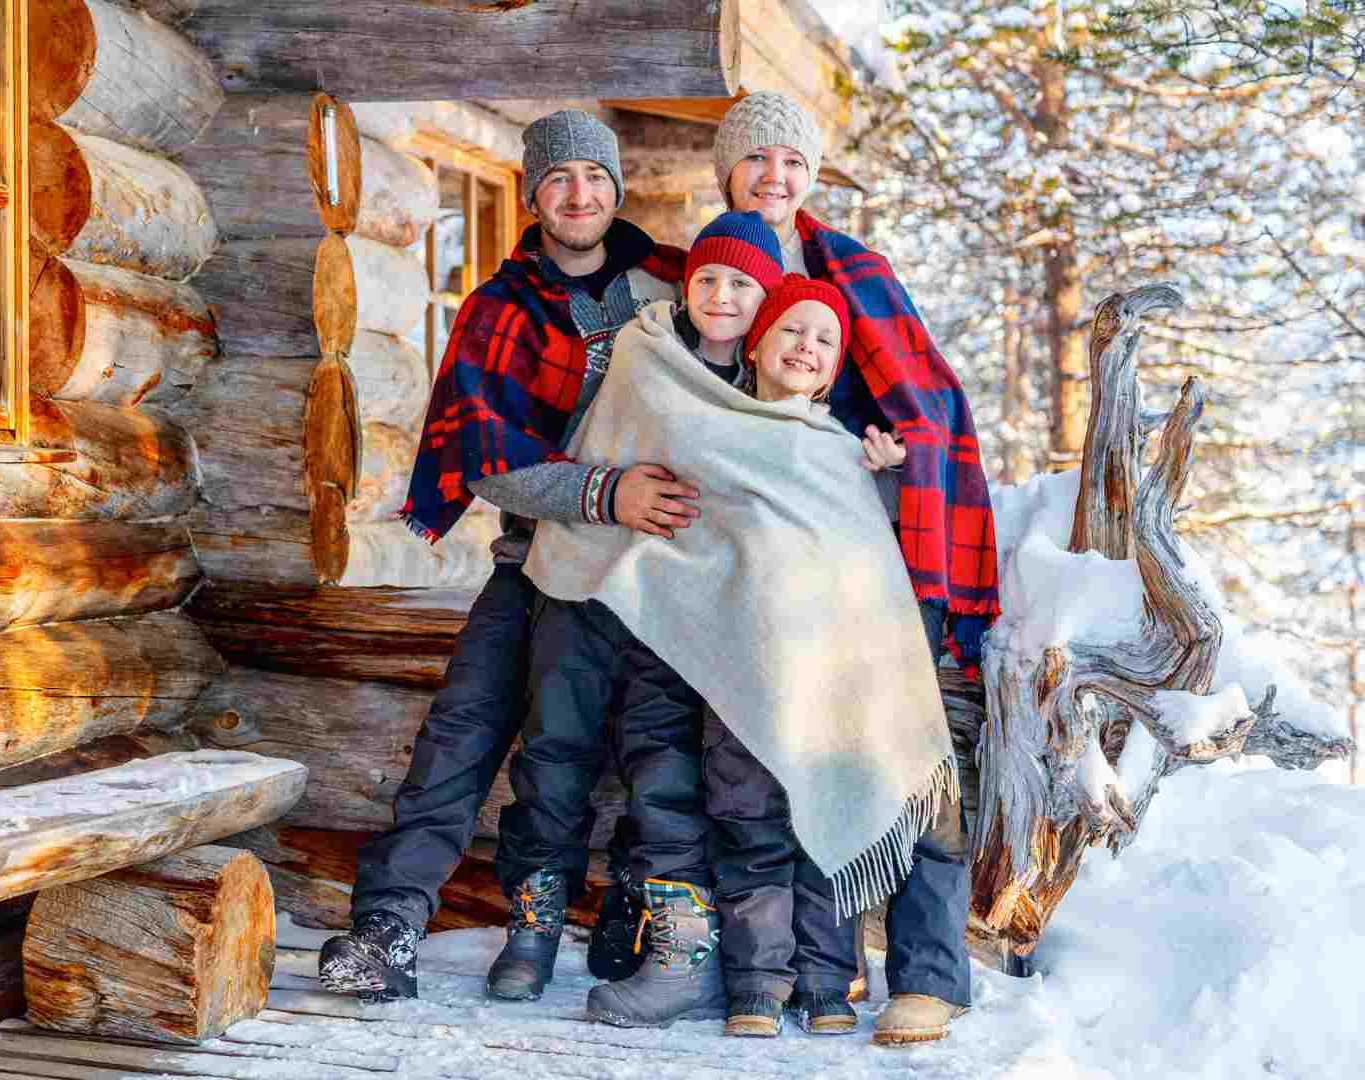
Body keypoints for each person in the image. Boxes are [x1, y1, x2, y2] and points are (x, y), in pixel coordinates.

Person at [317, 108, 695, 1003]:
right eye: (559, 179)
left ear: (616, 189)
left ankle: (635, 914)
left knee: (659, 743)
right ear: (533, 196)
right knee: (463, 727)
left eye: (595, 178)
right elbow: (487, 458)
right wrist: (604, 493)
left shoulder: (671, 287)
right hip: (534, 559)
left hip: (652, 568)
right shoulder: (501, 306)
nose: (579, 194)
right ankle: (389, 927)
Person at [527, 273, 957, 1043]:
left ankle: (827, 983)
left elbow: (864, 557)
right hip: (731, 662)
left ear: (834, 371)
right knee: (746, 820)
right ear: (757, 342)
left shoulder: (839, 451)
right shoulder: (704, 418)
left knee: (825, 813)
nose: (807, 347)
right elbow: (691, 520)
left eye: (825, 341)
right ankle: (753, 985)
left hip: (825, 682)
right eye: (793, 330)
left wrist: (890, 479)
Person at [709, 90, 1002, 1045]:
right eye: (756, 161)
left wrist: (885, 458)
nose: (774, 178)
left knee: (913, 757)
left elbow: (928, 406)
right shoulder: (710, 274)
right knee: (800, 771)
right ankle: (814, 977)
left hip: (877, 550)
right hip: (768, 573)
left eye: (792, 162)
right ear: (727, 172)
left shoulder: (857, 271)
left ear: (812, 175)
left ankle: (928, 976)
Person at [486, 210, 796, 1010]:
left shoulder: (771, 388)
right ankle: (532, 927)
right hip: (584, 579)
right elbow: (594, 443)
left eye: (742, 283)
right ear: (685, 286)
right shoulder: (643, 346)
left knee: (664, 769)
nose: (722, 295)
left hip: (678, 606)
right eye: (708, 279)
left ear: (766, 300)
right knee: (553, 749)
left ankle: (681, 947)